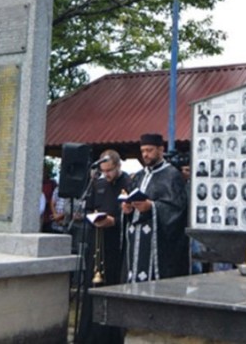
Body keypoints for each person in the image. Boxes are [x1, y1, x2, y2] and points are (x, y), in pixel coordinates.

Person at [80, 150, 131, 344]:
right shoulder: (97, 184)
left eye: (110, 170)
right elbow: (87, 208)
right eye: (104, 171)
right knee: (91, 286)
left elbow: (131, 216)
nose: (107, 175)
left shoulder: (128, 183)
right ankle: (89, 334)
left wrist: (114, 221)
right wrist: (93, 217)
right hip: (96, 242)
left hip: (116, 246)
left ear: (118, 166)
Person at [122, 134, 188, 282]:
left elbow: (178, 209)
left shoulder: (172, 175)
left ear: (160, 150)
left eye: (149, 150)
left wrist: (151, 206)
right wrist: (127, 209)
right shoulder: (138, 176)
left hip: (159, 242)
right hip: (137, 240)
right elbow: (131, 200)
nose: (145, 154)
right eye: (143, 150)